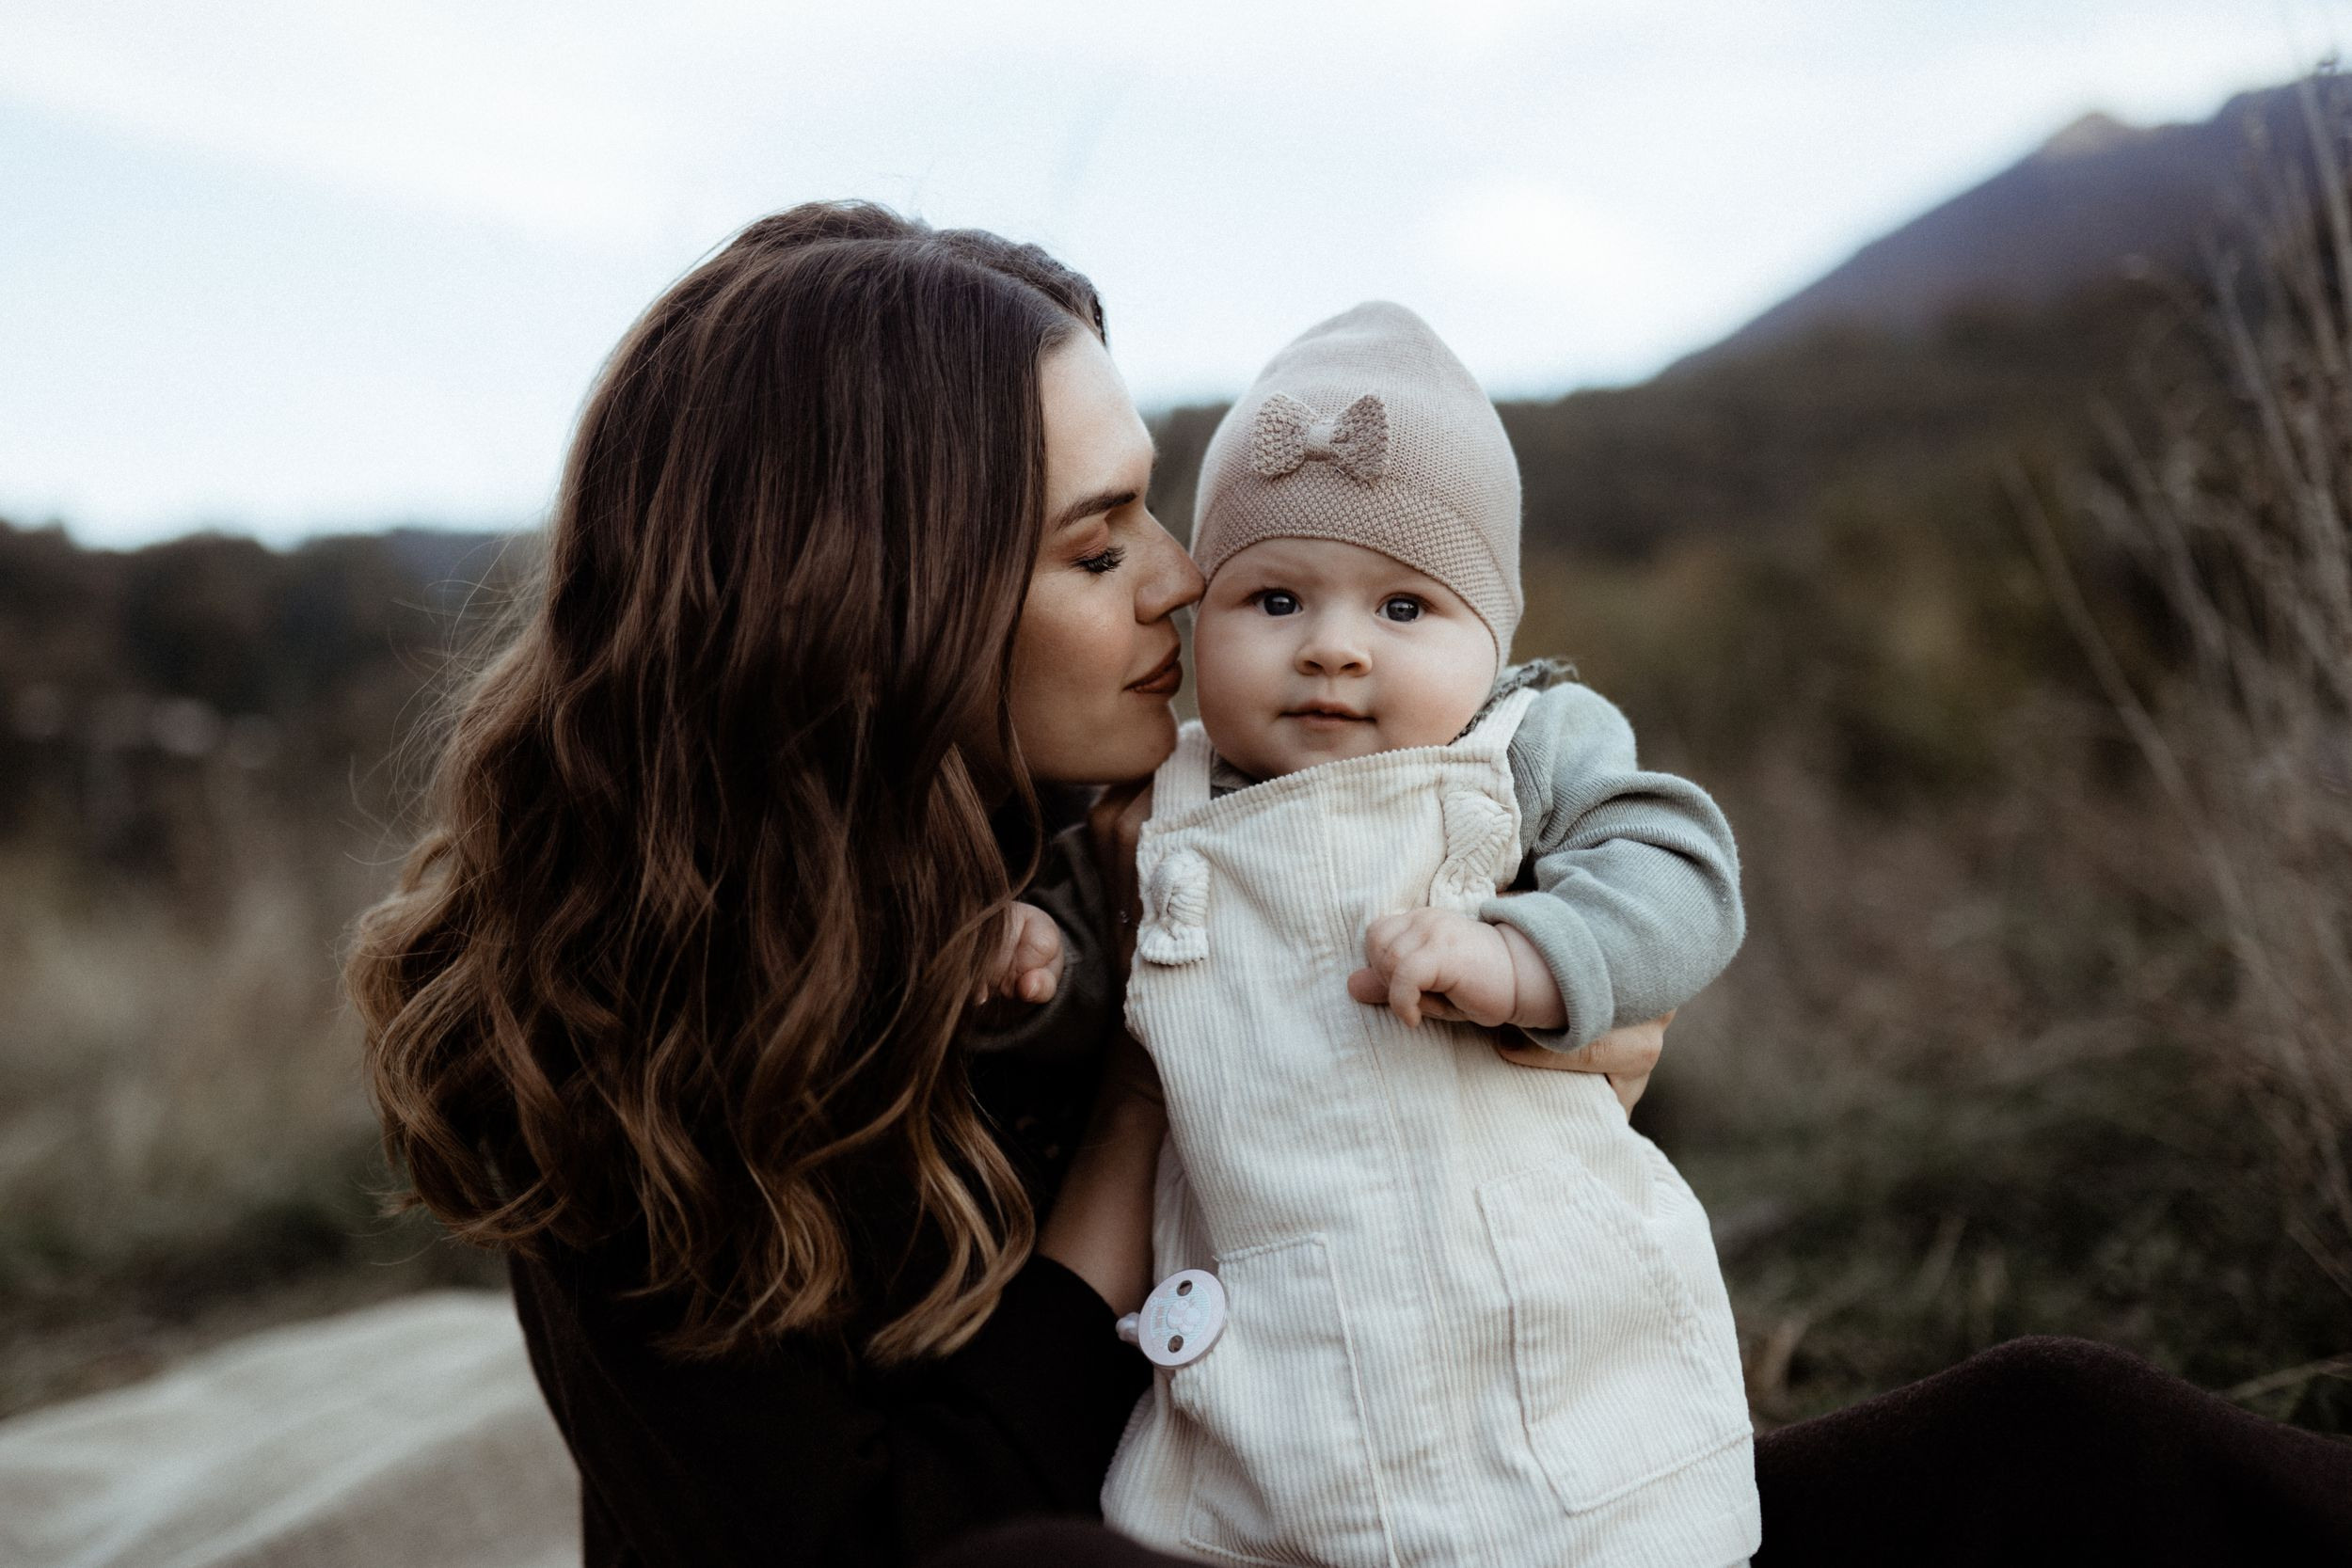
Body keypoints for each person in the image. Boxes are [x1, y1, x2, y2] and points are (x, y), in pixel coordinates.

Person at [348, 202, 2352, 1568]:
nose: (1182, 586)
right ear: (865, 609)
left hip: (1436, 1515)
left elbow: (1525, 1077)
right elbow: (931, 1534)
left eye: (1158, 510)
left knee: (2065, 1444)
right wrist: (1153, 1088)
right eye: (1096, 540)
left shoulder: (1155, 830)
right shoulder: (616, 1026)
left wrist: (1539, 1022)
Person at [983, 301, 1757, 1567]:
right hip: (1270, 1387)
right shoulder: (1159, 812)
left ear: (1491, 639)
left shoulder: (1527, 747)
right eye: (1276, 599)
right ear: (1204, 618)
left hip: (1540, 1335)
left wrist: (1525, 955)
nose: (1333, 650)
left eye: (1403, 610)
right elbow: (1102, 982)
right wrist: (1038, 967)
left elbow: (1685, 873)